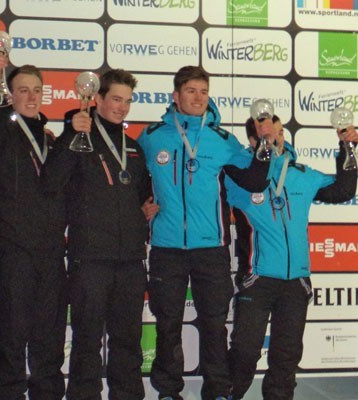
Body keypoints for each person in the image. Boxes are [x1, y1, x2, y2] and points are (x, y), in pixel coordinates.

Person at [136, 65, 271, 400]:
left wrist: (265, 144)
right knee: (168, 325)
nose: (198, 98)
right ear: (176, 95)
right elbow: (135, 182)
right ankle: (168, 391)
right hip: (166, 247)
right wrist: (141, 205)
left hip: (210, 248)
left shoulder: (223, 140)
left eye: (204, 92)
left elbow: (254, 180)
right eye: (191, 91)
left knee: (213, 325)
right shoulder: (152, 137)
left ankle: (217, 391)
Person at [226, 117, 358, 400]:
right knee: (245, 352)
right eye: (267, 135)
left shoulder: (301, 173)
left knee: (286, 358)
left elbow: (343, 190)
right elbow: (248, 182)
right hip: (258, 279)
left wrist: (347, 148)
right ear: (253, 141)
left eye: (279, 132)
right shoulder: (240, 177)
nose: (276, 139)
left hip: (295, 281)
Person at [41, 69, 152, 400]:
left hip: (131, 260)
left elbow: (142, 195)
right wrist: (69, 137)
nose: (122, 107)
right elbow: (51, 182)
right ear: (98, 99)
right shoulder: (78, 139)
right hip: (90, 259)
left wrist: (147, 208)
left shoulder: (133, 148)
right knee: (87, 339)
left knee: (128, 340)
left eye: (127, 101)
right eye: (116, 99)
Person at [0, 51, 67, 399]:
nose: (30, 97)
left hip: (51, 250)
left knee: (49, 332)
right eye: (22, 90)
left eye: (36, 90)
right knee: (13, 331)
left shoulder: (52, 140)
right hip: (12, 248)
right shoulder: (1, 134)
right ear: (11, 95)